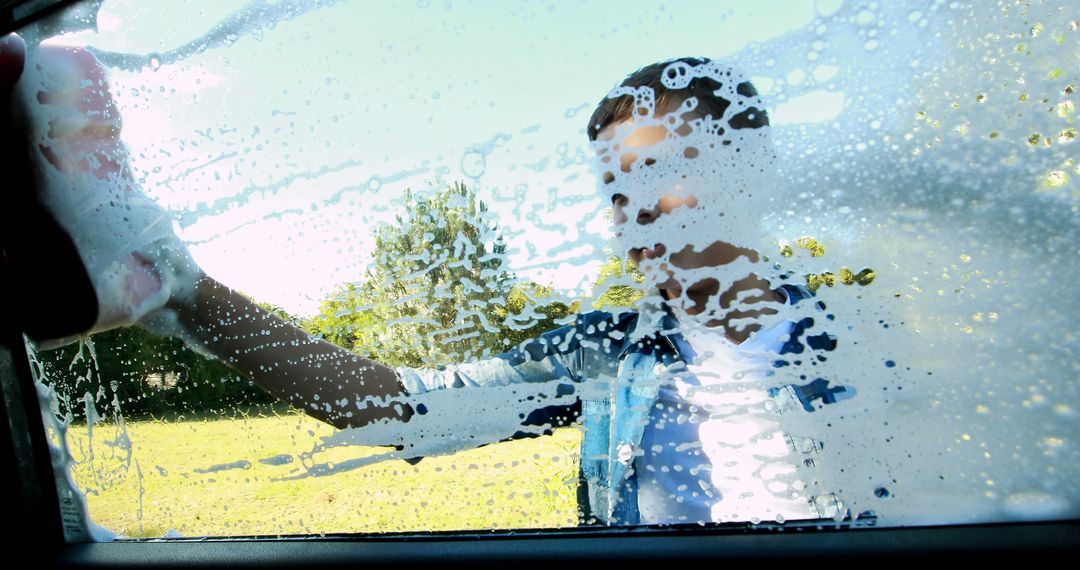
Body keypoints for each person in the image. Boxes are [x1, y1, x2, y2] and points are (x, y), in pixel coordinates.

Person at [5, 33, 847, 526]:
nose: (636, 212)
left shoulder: (880, 336)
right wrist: (177, 285)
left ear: (755, 168)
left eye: (665, 168)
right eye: (615, 188)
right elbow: (405, 408)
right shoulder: (607, 350)